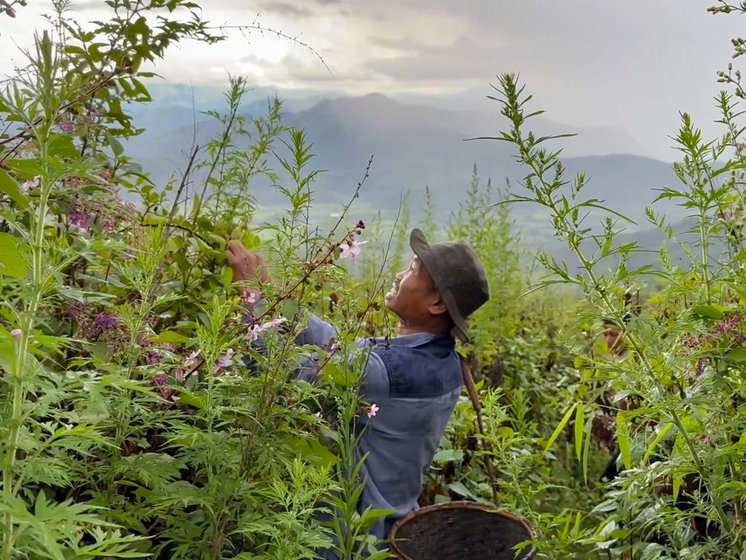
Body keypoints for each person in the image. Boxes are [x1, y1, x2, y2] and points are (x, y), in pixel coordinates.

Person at [226, 228, 489, 542]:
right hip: (391, 527)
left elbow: (281, 380)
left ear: (437, 304)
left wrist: (251, 297)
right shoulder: (442, 361)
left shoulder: (383, 372)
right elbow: (340, 346)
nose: (398, 274)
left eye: (412, 271)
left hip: (346, 537)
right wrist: (273, 294)